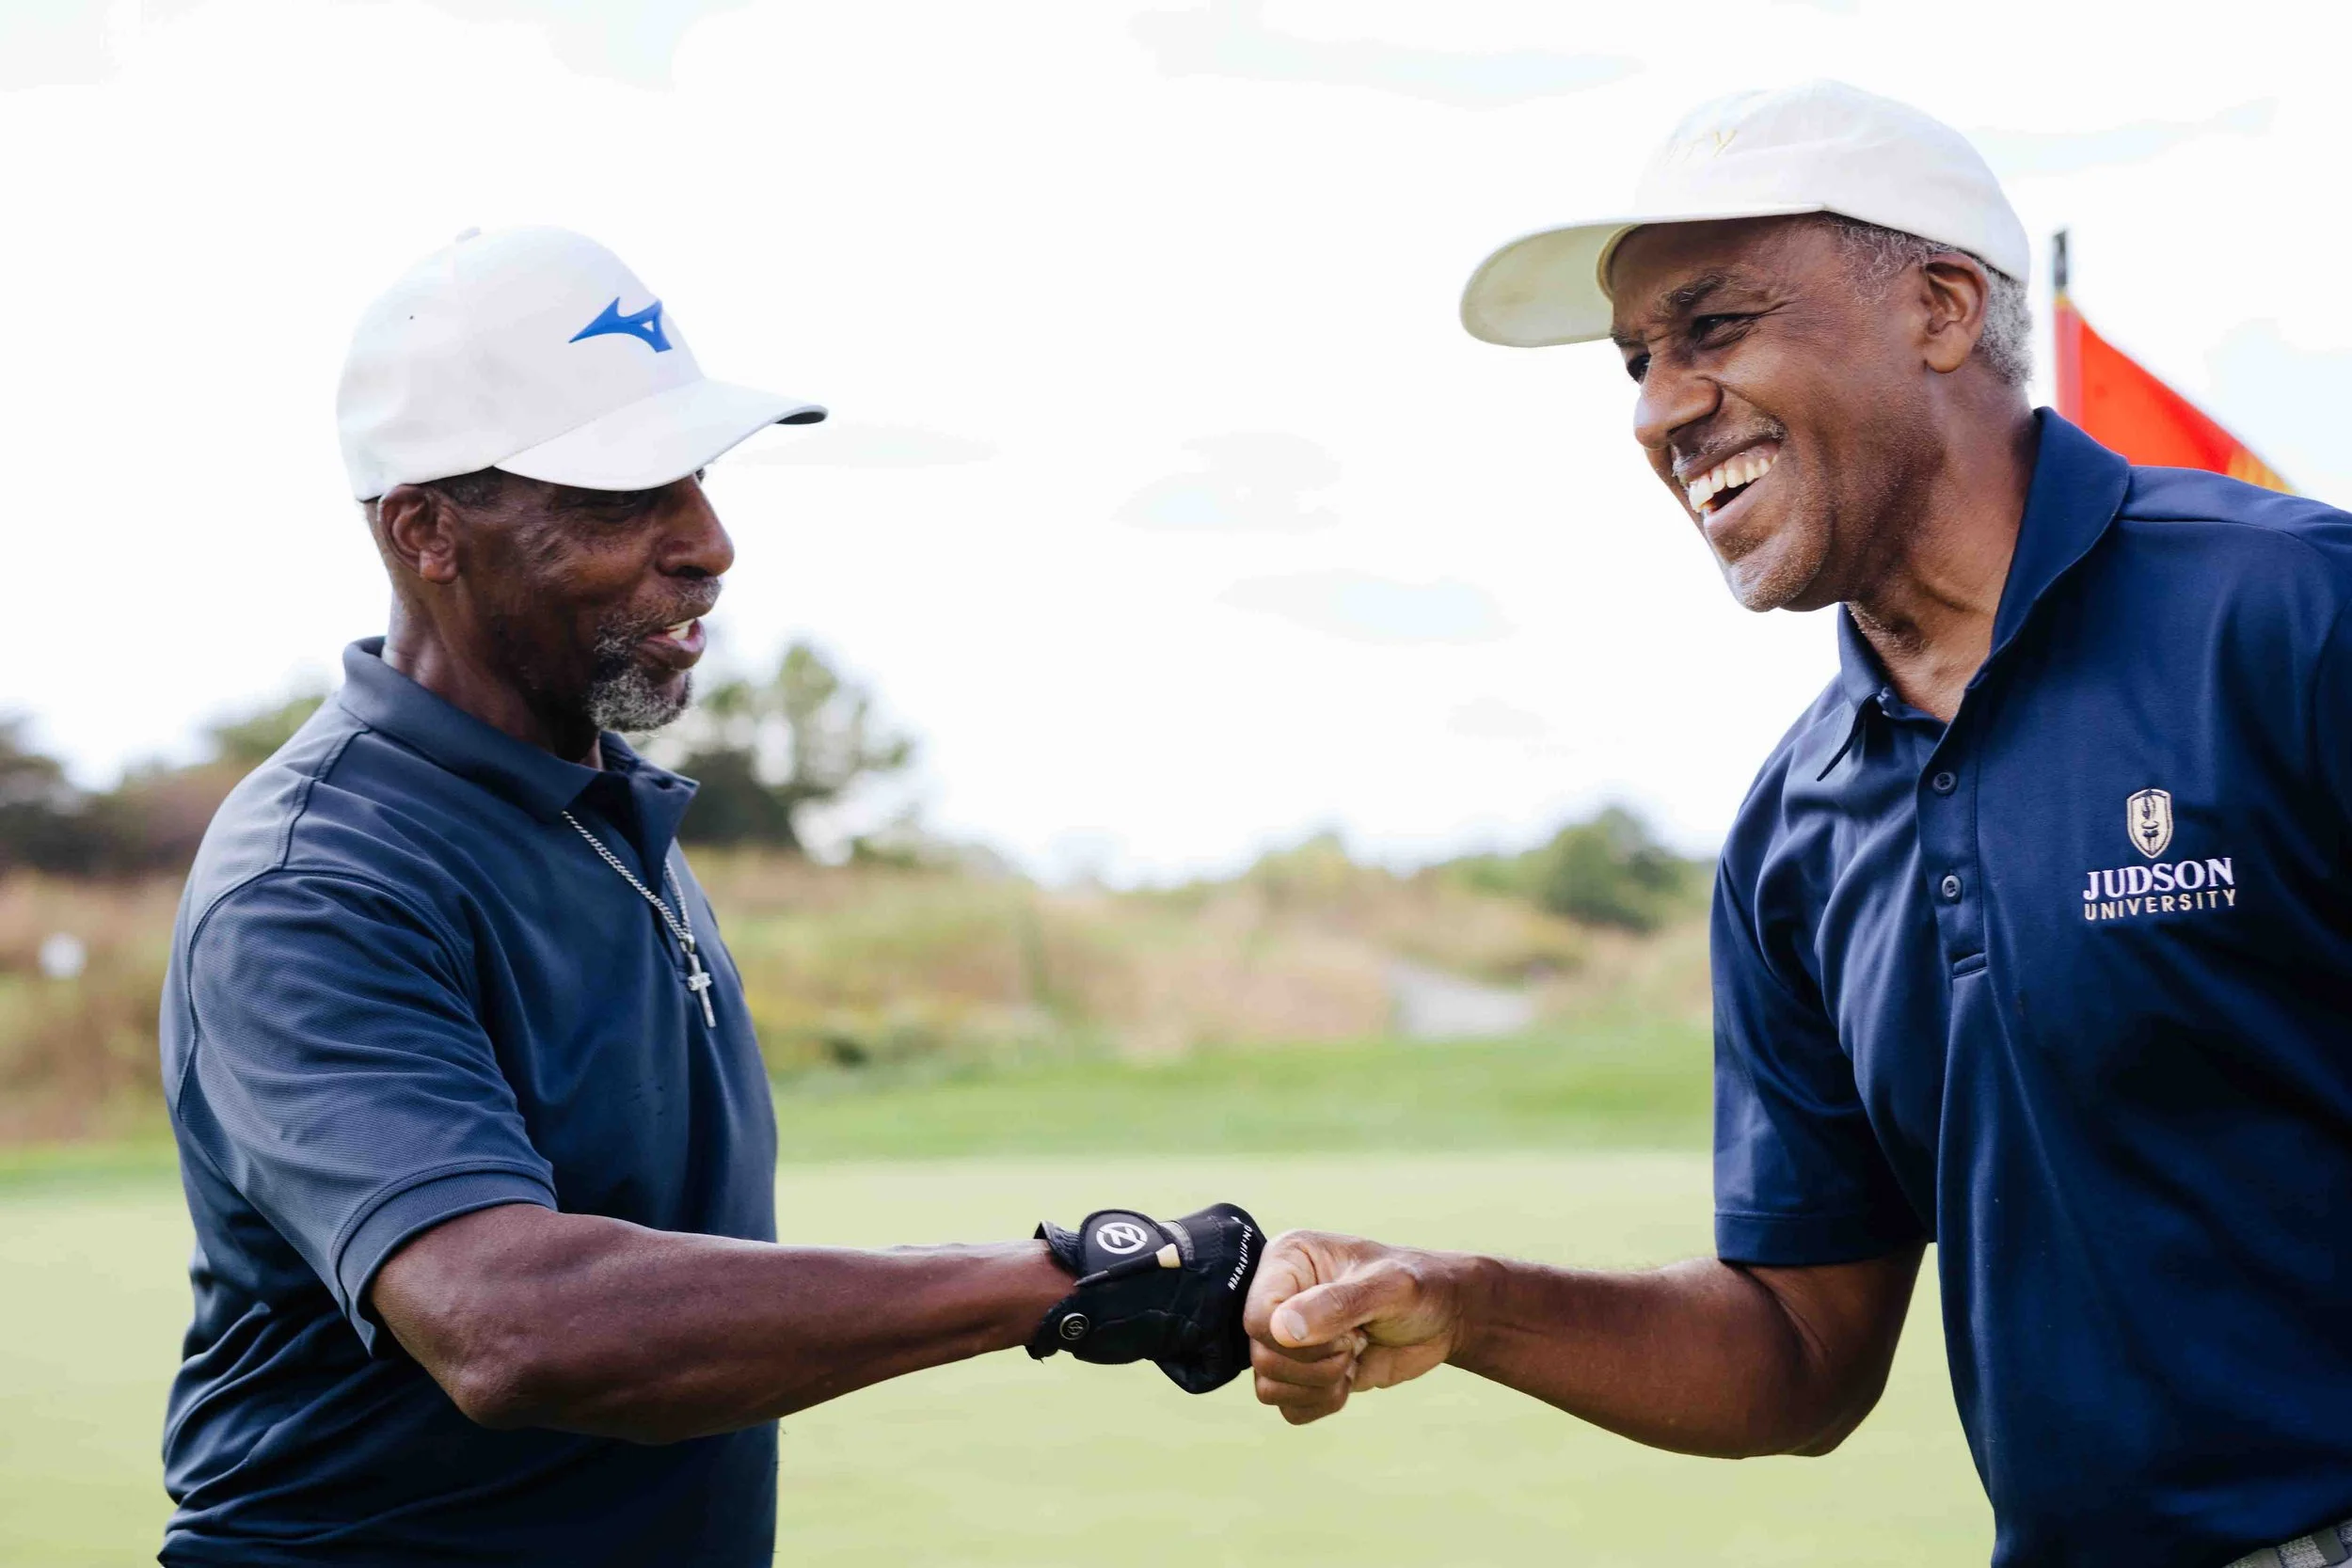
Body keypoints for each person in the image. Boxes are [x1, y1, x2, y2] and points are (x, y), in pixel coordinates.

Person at [1244, 80, 2352, 1568]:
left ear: (1944, 307)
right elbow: (1798, 1346)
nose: (1656, 411)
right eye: (1637, 361)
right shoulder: (1795, 832)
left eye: (1714, 328)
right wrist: (1470, 1301)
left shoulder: (2293, 615)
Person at [156, 226, 1262, 1568]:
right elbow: (516, 1324)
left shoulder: (609, 812)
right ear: (426, 529)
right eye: (625, 495)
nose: (711, 540)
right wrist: (1074, 1279)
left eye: (699, 474)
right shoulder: (320, 878)